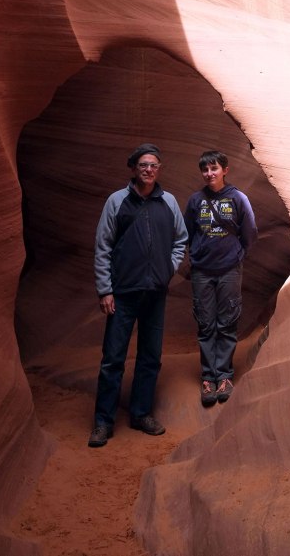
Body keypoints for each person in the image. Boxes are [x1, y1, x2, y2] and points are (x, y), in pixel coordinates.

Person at [88, 143, 187, 447]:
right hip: (123, 293)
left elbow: (180, 240)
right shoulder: (117, 202)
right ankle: (103, 422)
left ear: (159, 169)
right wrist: (105, 288)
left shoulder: (167, 202)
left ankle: (141, 413)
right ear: (133, 168)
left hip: (155, 293)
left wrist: (167, 269)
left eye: (154, 165)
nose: (149, 170)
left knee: (150, 357)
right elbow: (103, 246)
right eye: (143, 165)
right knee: (113, 359)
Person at [184, 150, 258, 407]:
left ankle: (224, 376)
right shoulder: (195, 201)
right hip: (202, 271)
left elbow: (249, 231)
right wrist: (196, 256)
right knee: (206, 324)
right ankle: (208, 378)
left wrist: (237, 255)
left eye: (214, 168)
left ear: (225, 170)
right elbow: (188, 232)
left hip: (229, 270)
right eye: (205, 170)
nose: (209, 174)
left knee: (226, 322)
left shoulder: (238, 198)